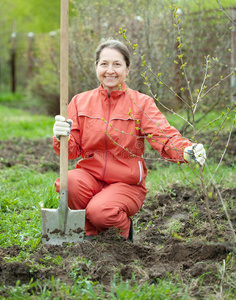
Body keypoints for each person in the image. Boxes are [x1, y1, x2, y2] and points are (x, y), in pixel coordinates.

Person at [53, 38, 206, 242]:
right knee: (68, 182)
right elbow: (71, 151)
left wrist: (187, 149)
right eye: (104, 64)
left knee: (100, 211)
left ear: (127, 69)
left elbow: (164, 136)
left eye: (117, 64)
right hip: (90, 176)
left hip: (126, 182)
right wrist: (60, 136)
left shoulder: (141, 103)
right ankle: (89, 236)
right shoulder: (80, 102)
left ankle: (121, 234)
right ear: (96, 67)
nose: (110, 70)